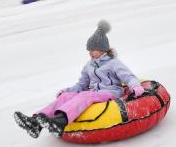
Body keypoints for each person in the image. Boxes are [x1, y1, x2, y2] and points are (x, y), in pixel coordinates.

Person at [13, 20, 145, 138]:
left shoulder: (113, 63)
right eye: (89, 50)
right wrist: (68, 91)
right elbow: (81, 84)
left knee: (86, 96)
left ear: (102, 49)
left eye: (92, 49)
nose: (90, 53)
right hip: (94, 93)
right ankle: (35, 123)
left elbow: (128, 76)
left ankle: (60, 122)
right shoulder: (89, 65)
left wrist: (135, 86)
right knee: (65, 97)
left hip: (110, 93)